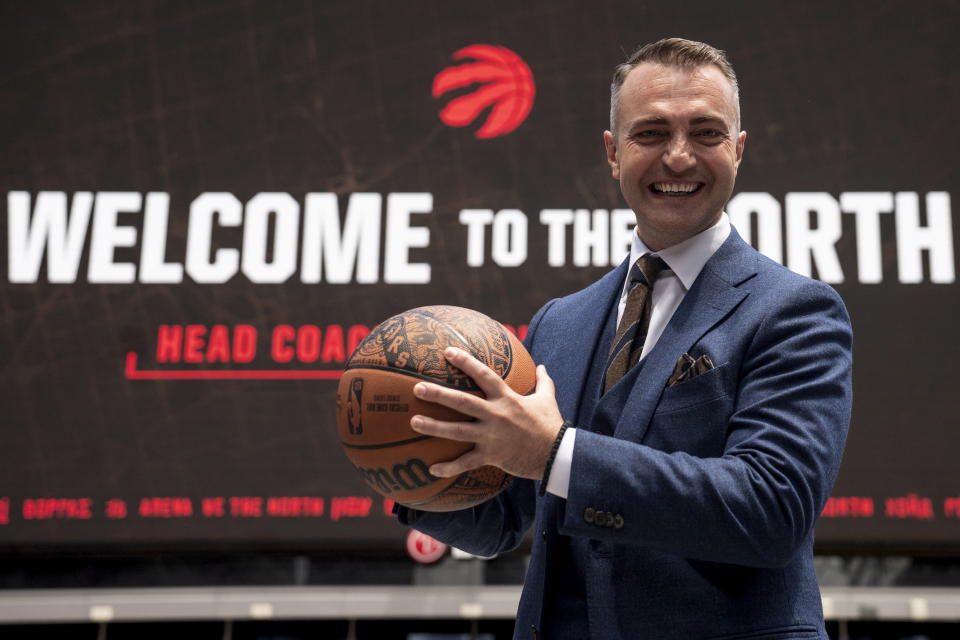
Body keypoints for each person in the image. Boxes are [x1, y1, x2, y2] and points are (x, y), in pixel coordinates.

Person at [397, 38, 852, 640]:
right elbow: (501, 522)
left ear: (739, 151)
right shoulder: (561, 320)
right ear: (613, 152)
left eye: (707, 133)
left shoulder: (796, 310)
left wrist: (555, 454)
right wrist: (407, 460)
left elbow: (770, 510)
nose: (680, 157)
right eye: (652, 133)